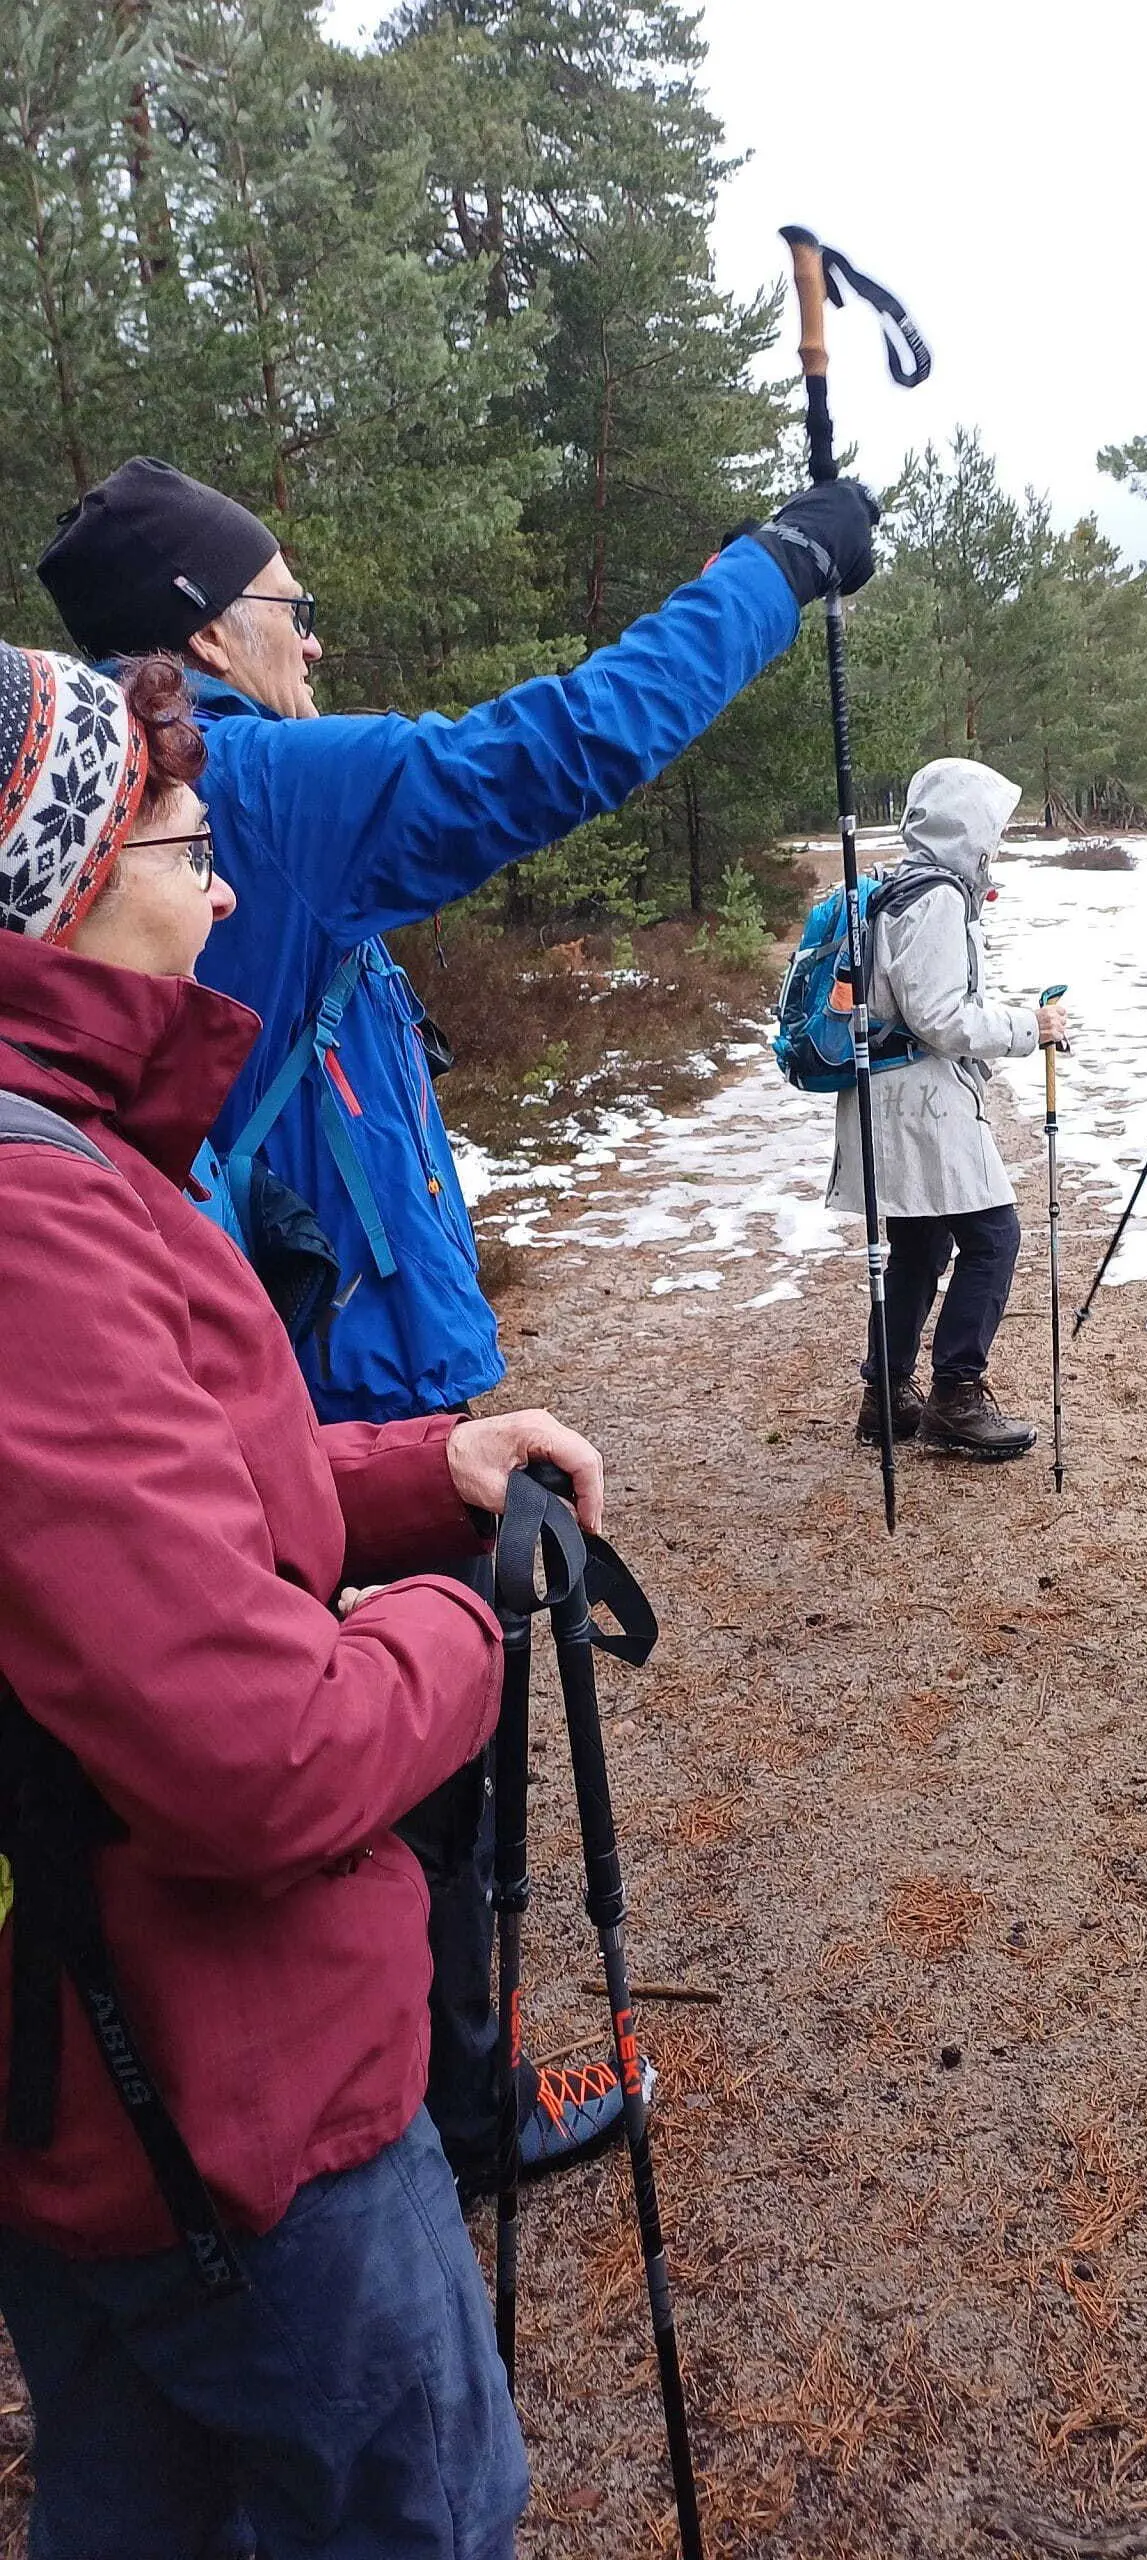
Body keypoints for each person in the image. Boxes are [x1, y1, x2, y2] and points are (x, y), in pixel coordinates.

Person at [37, 455, 877, 2194]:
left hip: (267, 1348)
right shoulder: (251, 780)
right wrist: (775, 571)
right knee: (403, 1769)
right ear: (199, 632)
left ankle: (370, 2108)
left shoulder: (99, 810)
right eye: (288, 607)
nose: (318, 641)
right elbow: (563, 743)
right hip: (339, 1375)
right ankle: (441, 2124)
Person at [0, 641, 608, 2555]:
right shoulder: (35, 1219)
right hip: (216, 2099)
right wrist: (455, 1622)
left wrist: (423, 1473)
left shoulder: (74, 1153)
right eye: (185, 843)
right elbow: (255, 1751)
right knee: (416, 2507)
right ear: (63, 885)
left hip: (80, 2078)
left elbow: (128, 1511)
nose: (229, 886)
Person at [830, 757, 1067, 1460]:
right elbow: (938, 1016)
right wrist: (1030, 1028)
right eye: (991, 822)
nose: (996, 837)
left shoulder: (900, 887)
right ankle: (955, 1397)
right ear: (966, 822)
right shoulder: (933, 898)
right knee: (994, 1237)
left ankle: (887, 1391)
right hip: (923, 1104)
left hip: (898, 1098)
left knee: (921, 1246)